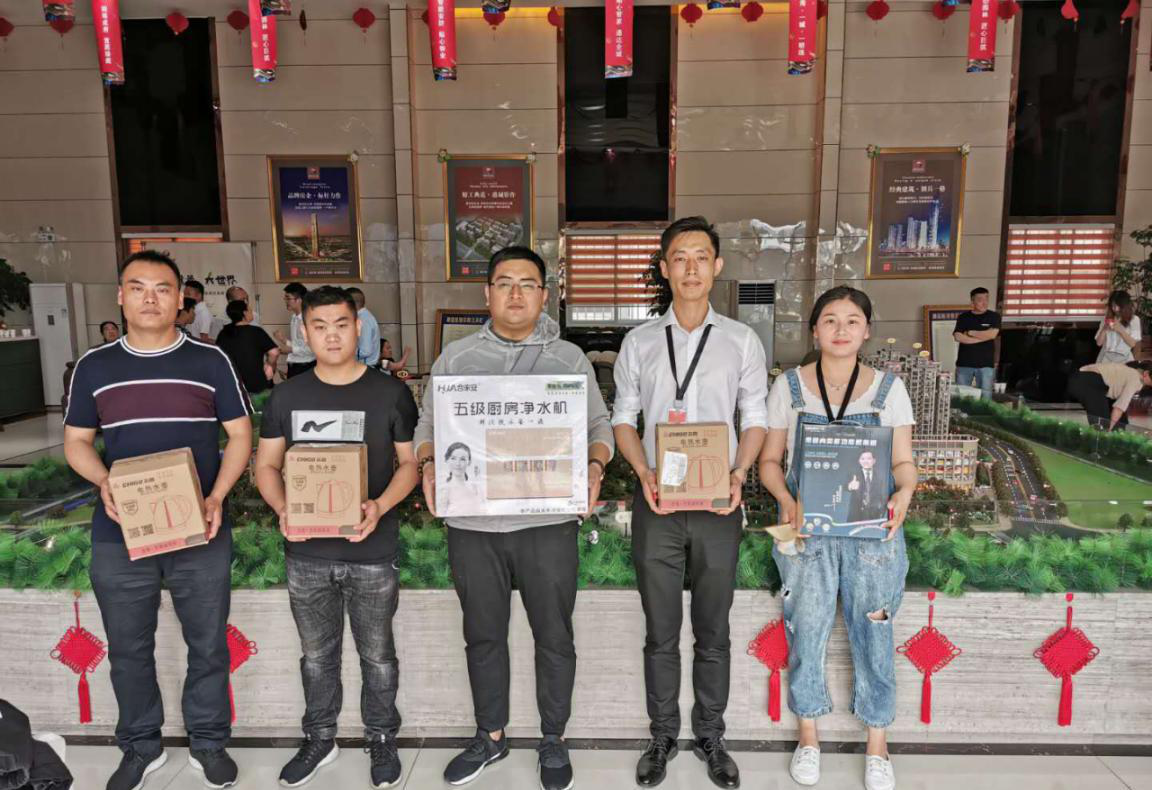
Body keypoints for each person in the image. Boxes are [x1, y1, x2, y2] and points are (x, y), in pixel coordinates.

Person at [415, 246, 614, 790]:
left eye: (527, 284)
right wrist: (429, 463)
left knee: (554, 635)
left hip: (546, 524)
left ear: (544, 295)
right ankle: (491, 735)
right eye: (504, 283)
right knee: (483, 635)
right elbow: (427, 425)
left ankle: (554, 737)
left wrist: (595, 466)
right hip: (474, 526)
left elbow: (600, 426)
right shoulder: (456, 359)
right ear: (488, 294)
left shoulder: (569, 360)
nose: (516, 294)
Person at [62, 250, 253, 790]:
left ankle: (209, 742)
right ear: (120, 296)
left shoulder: (210, 361)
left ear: (180, 299)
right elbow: (76, 442)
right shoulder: (94, 367)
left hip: (200, 528)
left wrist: (217, 496)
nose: (150, 298)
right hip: (119, 532)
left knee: (208, 643)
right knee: (127, 646)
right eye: (138, 287)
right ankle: (140, 746)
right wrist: (105, 482)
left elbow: (240, 434)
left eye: (162, 288)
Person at [611, 216, 768, 790]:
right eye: (680, 257)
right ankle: (662, 735)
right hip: (658, 501)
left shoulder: (741, 340)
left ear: (717, 266)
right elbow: (623, 418)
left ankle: (711, 735)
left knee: (712, 629)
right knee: (660, 630)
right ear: (664, 268)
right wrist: (644, 471)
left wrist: (740, 473)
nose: (691, 267)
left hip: (718, 504)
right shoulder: (639, 342)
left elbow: (755, 417)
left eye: (701, 256)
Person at [253, 286, 419, 789]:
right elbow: (266, 466)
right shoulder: (287, 396)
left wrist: (380, 506)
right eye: (319, 326)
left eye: (342, 325)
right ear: (304, 332)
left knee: (378, 655)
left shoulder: (389, 393)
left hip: (372, 548)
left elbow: (409, 465)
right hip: (306, 551)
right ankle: (320, 737)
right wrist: (284, 507)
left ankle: (381, 736)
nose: (331, 335)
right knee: (316, 656)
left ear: (358, 328)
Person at [758, 285, 918, 790]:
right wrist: (786, 498)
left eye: (852, 320)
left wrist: (905, 492)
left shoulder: (890, 390)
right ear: (815, 331)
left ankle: (878, 743)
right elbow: (769, 461)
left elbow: (902, 462)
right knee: (806, 627)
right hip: (807, 532)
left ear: (866, 330)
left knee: (875, 630)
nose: (841, 329)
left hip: (873, 535)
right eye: (830, 320)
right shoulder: (789, 388)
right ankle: (808, 736)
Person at [216, 300, 279, 395]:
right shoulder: (256, 331)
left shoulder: (223, 333)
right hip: (256, 384)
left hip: (232, 384)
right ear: (245, 313)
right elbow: (274, 352)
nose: (252, 313)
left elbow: (218, 356)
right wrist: (268, 365)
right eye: (250, 310)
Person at [1068, 360, 1152, 431]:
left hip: (1080, 378)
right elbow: (1119, 408)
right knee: (1102, 425)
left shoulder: (1130, 371)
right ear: (1146, 374)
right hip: (1089, 383)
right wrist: (1108, 430)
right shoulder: (1137, 379)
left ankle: (1112, 438)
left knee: (1121, 423)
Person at [952, 287, 1000, 396]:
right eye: (980, 300)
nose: (984, 303)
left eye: (986, 299)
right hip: (964, 364)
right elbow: (958, 337)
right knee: (962, 397)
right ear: (972, 302)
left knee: (985, 397)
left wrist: (970, 332)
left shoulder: (994, 317)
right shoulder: (963, 317)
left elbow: (992, 335)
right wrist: (983, 337)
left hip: (986, 364)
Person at [277, 282, 316, 378]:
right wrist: (284, 340)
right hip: (295, 366)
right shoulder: (294, 317)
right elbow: (299, 344)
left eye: (288, 298)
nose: (285, 301)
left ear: (299, 300)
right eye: (285, 298)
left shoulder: (308, 319)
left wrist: (290, 349)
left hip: (305, 367)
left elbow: (313, 348)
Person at [1095, 290, 1142, 364]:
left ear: (1125, 306)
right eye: (1113, 306)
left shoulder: (1134, 320)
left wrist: (1120, 330)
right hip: (1105, 358)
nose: (1115, 309)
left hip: (1125, 359)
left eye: (1118, 306)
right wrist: (1104, 329)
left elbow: (1132, 344)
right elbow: (1099, 343)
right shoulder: (1106, 318)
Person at [846, 449, 888, 524]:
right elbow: (843, 485)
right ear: (859, 461)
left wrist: (881, 511)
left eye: (869, 458)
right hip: (856, 516)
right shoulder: (853, 474)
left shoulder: (880, 476)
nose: (865, 461)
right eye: (862, 459)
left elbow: (883, 496)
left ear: (874, 461)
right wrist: (850, 486)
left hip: (874, 516)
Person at [346, 287, 381, 368]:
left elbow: (365, 351)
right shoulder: (364, 317)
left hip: (366, 368)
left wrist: (344, 352)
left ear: (350, 303)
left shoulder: (364, 320)